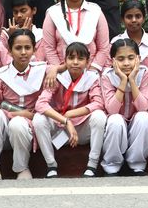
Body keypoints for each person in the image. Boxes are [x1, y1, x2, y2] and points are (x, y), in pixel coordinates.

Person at [34, 42, 107, 178]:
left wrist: (71, 114)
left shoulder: (92, 78)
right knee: (39, 119)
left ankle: (92, 165)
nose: (75, 62)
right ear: (65, 60)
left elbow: (98, 103)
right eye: (71, 58)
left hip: (81, 129)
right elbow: (40, 104)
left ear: (87, 62)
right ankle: (51, 165)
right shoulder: (57, 78)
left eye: (80, 59)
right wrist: (66, 120)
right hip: (60, 128)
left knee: (99, 116)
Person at [0, 28, 46, 180]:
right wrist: (20, 113)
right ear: (9, 51)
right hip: (4, 128)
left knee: (18, 124)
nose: (23, 52)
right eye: (18, 48)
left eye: (27, 48)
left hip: (29, 126)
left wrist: (53, 70)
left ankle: (22, 168)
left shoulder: (42, 71)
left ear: (34, 50)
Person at [39, 0, 111, 71]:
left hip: (92, 73)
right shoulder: (53, 13)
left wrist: (93, 70)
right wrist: (60, 70)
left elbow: (104, 47)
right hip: (61, 73)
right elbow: (49, 48)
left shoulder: (95, 11)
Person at [100, 37, 148, 175]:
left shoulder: (144, 73)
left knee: (144, 117)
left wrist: (133, 80)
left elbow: (143, 107)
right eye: (120, 59)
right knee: (115, 120)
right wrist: (123, 81)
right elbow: (112, 110)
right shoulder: (107, 76)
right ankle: (112, 164)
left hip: (135, 122)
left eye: (131, 58)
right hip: (117, 122)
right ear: (113, 61)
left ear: (138, 59)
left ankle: (137, 164)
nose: (126, 63)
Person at [112, 0, 148, 66]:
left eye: (138, 16)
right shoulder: (115, 42)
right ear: (122, 20)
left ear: (144, 18)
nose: (134, 20)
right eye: (129, 17)